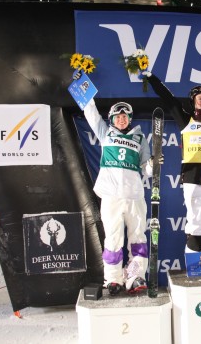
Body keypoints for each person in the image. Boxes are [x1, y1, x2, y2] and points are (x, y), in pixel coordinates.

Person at [142, 71, 201, 255]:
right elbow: (168, 99)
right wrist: (152, 76)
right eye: (199, 98)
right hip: (192, 177)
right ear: (193, 102)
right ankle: (196, 261)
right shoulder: (186, 119)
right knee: (196, 219)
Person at [83, 99, 157, 295]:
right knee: (113, 240)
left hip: (134, 196)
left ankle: (134, 276)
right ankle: (113, 279)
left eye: (125, 117)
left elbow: (147, 170)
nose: (122, 120)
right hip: (111, 197)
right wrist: (86, 97)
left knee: (138, 239)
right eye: (118, 117)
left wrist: (153, 164)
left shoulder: (139, 138)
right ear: (112, 119)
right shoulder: (105, 133)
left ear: (130, 119)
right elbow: (92, 115)